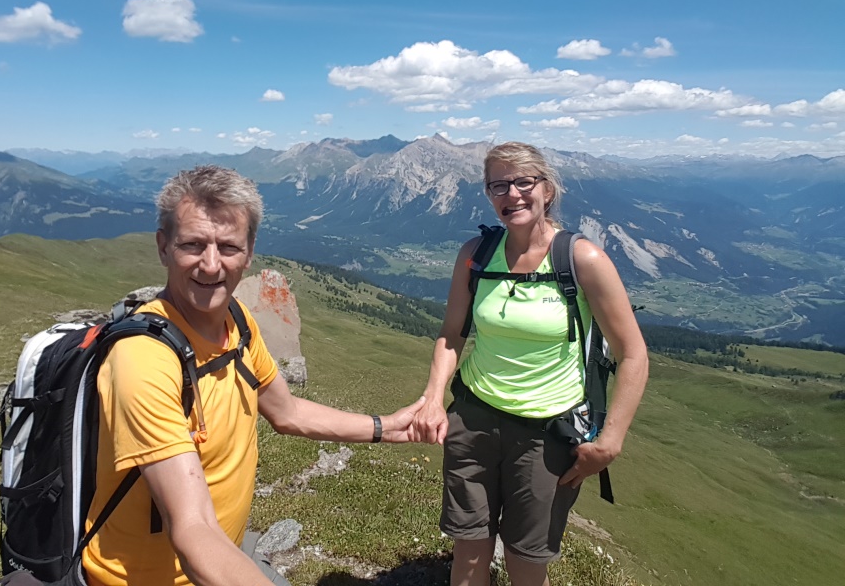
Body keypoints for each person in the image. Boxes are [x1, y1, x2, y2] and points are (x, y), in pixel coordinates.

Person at [82, 165, 425, 586]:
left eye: (228, 247)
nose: (211, 265)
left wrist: (385, 428)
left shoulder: (236, 321)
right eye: (193, 245)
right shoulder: (143, 360)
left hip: (223, 561)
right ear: (163, 246)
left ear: (249, 252)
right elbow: (192, 529)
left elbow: (287, 411)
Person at [412, 142, 649, 586]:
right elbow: (451, 333)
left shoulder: (581, 260)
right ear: (488, 194)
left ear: (547, 189)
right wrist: (431, 399)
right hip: (473, 419)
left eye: (524, 182)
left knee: (526, 560)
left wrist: (611, 440)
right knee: (468, 548)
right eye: (498, 185)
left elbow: (633, 353)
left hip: (546, 434)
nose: (512, 194)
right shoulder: (476, 255)